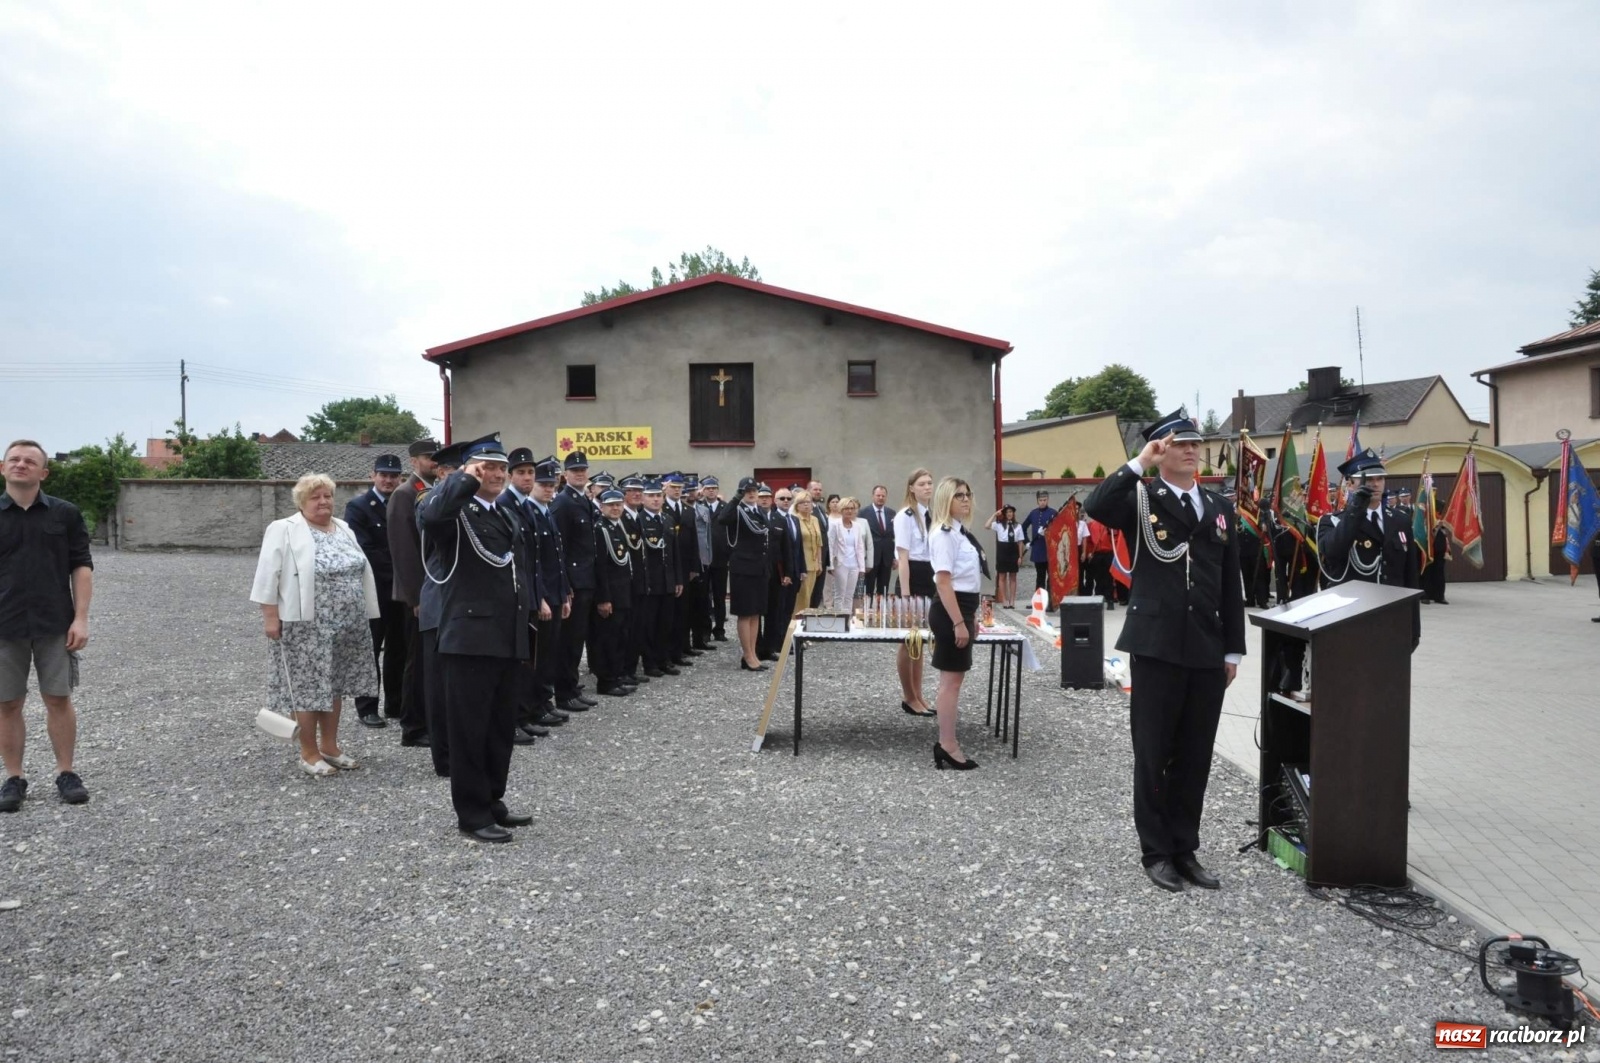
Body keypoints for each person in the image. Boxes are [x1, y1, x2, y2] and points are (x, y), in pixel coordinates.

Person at [1085, 410, 1245, 893]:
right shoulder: (1140, 496)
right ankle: (1156, 851)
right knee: (1154, 753)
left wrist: (1233, 650)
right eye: (1179, 444)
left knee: (1195, 754)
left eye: (1196, 444)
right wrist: (1139, 463)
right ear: (1159, 450)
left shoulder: (1219, 507)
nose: (1191, 450)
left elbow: (1228, 581)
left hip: (1206, 645)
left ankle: (1185, 847)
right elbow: (1096, 505)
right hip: (1155, 646)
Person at [417, 434, 534, 843]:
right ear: (470, 469)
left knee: (499, 728)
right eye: (487, 466)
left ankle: (492, 799)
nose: (497, 473)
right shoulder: (453, 511)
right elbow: (432, 519)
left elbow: (518, 572)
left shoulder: (503, 514)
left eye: (501, 467)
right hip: (468, 637)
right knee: (469, 729)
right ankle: (472, 813)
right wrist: (463, 480)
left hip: (505, 635)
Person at [251, 473, 381, 776]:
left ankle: (330, 746)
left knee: (334, 685)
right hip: (305, 625)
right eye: (315, 497)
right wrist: (270, 617)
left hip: (346, 625)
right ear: (301, 501)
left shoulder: (344, 528)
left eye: (328, 496)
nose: (323, 502)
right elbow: (266, 575)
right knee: (307, 689)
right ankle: (308, 752)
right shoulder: (284, 530)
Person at [0, 439, 93, 811]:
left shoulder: (65, 514)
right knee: (7, 703)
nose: (21, 465)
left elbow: (81, 565)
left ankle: (66, 772)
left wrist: (81, 618)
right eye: (15, 459)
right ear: (3, 467)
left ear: (44, 472)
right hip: (3, 625)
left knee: (58, 698)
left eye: (30, 461)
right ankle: (13, 777)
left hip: (55, 622)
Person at [1316, 449, 1421, 649]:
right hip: (1353, 619)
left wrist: (1414, 627)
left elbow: (1410, 577)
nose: (1374, 484)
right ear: (1350, 484)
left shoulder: (1400, 520)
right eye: (1367, 479)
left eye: (1379, 478)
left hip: (1392, 618)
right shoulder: (1333, 521)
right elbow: (1331, 553)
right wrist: (1356, 510)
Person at [927, 477, 987, 770]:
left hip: (963, 607)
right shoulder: (944, 534)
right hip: (952, 610)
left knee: (954, 680)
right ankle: (947, 744)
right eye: (958, 495)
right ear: (945, 500)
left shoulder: (960, 532)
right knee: (950, 682)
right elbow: (943, 581)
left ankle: (947, 742)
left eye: (967, 494)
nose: (965, 499)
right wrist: (959, 622)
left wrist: (970, 616)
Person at [345, 453, 405, 729]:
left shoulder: (403, 504)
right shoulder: (358, 507)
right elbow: (365, 550)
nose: (388, 480)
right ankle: (367, 707)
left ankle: (395, 702)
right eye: (383, 475)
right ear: (373, 476)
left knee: (399, 649)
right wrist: (402, 570)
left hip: (401, 592)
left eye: (393, 476)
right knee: (370, 649)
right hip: (374, 590)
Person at [386, 438, 439, 748]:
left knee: (430, 660)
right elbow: (404, 552)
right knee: (416, 661)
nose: (434, 462)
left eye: (436, 457)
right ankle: (413, 726)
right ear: (414, 461)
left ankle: (428, 718)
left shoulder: (431, 492)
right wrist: (417, 597)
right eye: (428, 457)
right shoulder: (406, 495)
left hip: (434, 591)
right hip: (418, 595)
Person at [550, 450, 601, 712]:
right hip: (574, 581)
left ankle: (572, 685)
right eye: (574, 470)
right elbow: (560, 547)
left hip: (587, 578)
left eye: (583, 469)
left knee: (577, 638)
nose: (580, 473)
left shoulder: (585, 501)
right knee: (568, 641)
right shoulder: (563, 503)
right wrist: (566, 584)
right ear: (565, 474)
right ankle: (564, 692)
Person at [894, 468, 936, 716]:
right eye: (922, 484)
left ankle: (918, 694)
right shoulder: (905, 516)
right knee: (907, 639)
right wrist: (907, 594)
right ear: (911, 487)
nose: (928, 487)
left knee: (920, 640)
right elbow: (903, 557)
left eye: (930, 483)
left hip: (929, 575)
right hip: (913, 576)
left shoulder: (932, 515)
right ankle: (908, 696)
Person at [720, 478, 771, 670]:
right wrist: (735, 498)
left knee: (756, 613)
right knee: (745, 612)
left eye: (754, 491)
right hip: (743, 568)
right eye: (747, 491)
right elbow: (722, 519)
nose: (751, 494)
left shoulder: (759, 511)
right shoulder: (737, 510)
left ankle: (752, 653)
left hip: (759, 567)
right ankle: (748, 655)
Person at [590, 488, 637, 694]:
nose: (616, 508)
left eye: (618, 504)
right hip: (611, 594)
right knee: (607, 639)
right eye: (611, 505)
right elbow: (600, 566)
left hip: (624, 592)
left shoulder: (619, 528)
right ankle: (606, 681)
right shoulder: (600, 529)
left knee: (621, 637)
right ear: (602, 507)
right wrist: (604, 598)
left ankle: (618, 676)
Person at [637, 480, 681, 677]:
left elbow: (675, 553)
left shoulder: (668, 520)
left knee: (666, 623)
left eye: (658, 496)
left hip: (668, 580)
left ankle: (664, 659)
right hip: (650, 581)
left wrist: (678, 579)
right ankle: (650, 662)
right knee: (649, 624)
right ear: (643, 498)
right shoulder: (639, 520)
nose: (655, 500)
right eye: (651, 496)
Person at [661, 472, 703, 664]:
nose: (677, 491)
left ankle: (682, 648)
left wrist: (695, 565)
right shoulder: (661, 509)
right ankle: (667, 651)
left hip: (685, 565)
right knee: (669, 612)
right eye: (673, 487)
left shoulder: (688, 510)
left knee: (684, 610)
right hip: (666, 565)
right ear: (665, 488)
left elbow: (694, 539)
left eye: (679, 488)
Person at [758, 485, 798, 660]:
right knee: (757, 612)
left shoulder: (778, 519)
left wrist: (788, 572)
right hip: (757, 571)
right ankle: (756, 647)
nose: (764, 499)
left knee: (774, 610)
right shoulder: (753, 517)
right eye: (762, 497)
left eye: (767, 496)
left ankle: (770, 646)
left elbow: (786, 548)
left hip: (776, 571)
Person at [695, 476, 729, 644]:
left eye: (714, 488)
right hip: (704, 558)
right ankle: (705, 630)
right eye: (708, 488)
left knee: (720, 596)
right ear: (703, 490)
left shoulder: (725, 507)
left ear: (717, 490)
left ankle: (720, 629)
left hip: (721, 558)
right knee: (703, 596)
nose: (711, 490)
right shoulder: (698, 507)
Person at [828, 497, 871, 613]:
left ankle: (847, 619)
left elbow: (860, 548)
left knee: (849, 594)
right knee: (839, 594)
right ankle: (838, 619)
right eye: (846, 508)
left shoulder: (857, 526)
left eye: (852, 508)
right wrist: (830, 565)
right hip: (841, 563)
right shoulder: (834, 525)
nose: (849, 511)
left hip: (854, 564)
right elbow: (830, 545)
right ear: (841, 509)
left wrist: (862, 567)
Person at [790, 490, 825, 619]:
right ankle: (795, 628)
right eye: (802, 502)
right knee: (801, 598)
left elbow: (819, 543)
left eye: (808, 502)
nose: (806, 505)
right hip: (802, 565)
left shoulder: (815, 519)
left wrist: (820, 562)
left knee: (809, 597)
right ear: (797, 505)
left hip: (814, 564)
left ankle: (804, 627)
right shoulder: (794, 519)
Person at [1023, 490, 1058, 608]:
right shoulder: (1033, 513)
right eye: (1040, 500)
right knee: (1040, 577)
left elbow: (1059, 531)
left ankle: (1050, 603)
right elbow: (1023, 527)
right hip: (1038, 550)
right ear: (1037, 501)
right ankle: (1038, 602)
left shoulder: (1053, 513)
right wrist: (1026, 542)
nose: (1043, 502)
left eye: (1044, 500)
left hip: (1049, 550)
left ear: (1048, 500)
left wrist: (1048, 533)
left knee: (1051, 578)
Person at [985, 504, 1024, 609]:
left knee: (1013, 576)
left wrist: (1020, 556)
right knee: (1002, 576)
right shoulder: (999, 525)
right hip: (1003, 550)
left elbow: (1020, 542)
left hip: (1013, 550)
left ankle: (1012, 600)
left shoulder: (1018, 526)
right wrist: (994, 514)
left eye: (1011, 512)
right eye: (1007, 512)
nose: (1009, 514)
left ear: (1013, 513)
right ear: (1004, 514)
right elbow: (986, 525)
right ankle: (1004, 600)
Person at [862, 485, 896, 598]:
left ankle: (881, 611)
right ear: (873, 496)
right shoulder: (864, 513)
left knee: (884, 587)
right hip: (871, 557)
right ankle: (867, 610)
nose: (880, 498)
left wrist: (895, 557)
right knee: (868, 587)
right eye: (878, 495)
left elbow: (895, 536)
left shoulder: (892, 513)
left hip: (887, 557)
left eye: (883, 496)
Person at [1081, 512, 1116, 609]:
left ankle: (1110, 599)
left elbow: (1115, 538)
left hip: (1108, 552)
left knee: (1108, 577)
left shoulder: (1110, 525)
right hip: (1096, 553)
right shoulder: (1091, 525)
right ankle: (1099, 597)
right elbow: (1088, 540)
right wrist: (1089, 552)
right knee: (1098, 577)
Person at [805, 480, 831, 608]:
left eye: (820, 490)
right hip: (813, 557)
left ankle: (814, 616)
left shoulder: (820, 509)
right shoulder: (807, 511)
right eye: (815, 489)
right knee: (810, 592)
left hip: (823, 556)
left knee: (818, 592)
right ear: (808, 490)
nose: (818, 492)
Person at [1421, 519, 1452, 605]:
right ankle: (1425, 595)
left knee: (1439, 569)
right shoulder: (1423, 505)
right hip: (1426, 538)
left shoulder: (1442, 507)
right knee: (1427, 568)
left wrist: (1442, 523)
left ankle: (1439, 596)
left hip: (1439, 540)